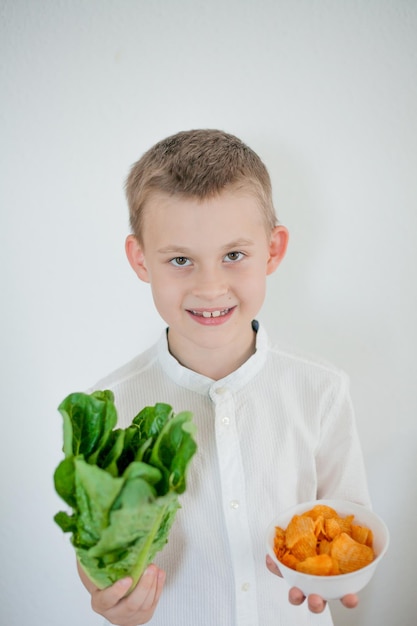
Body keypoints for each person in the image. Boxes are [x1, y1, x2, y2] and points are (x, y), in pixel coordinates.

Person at [77, 129, 370, 626]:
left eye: (233, 255)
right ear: (141, 259)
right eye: (180, 260)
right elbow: (97, 554)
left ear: (273, 250)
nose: (210, 287)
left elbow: (350, 521)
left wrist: (337, 575)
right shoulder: (108, 406)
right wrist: (112, 599)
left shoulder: (322, 389)